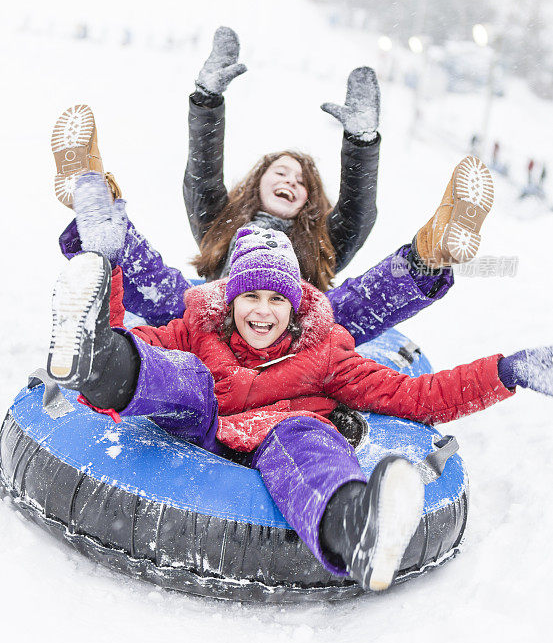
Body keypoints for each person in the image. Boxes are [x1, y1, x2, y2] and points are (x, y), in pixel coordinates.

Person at [47, 226, 553, 593]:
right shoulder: (195, 330)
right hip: (199, 426)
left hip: (281, 438)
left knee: (310, 438)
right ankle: (92, 360)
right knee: (183, 376)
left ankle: (356, 528)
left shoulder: (326, 353)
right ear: (230, 300)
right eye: (250, 296)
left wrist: (506, 372)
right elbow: (140, 345)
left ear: (294, 306)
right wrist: (106, 280)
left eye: (275, 299)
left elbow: (414, 395)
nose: (261, 311)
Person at [52, 38, 494, 341]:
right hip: (213, 320)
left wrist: (361, 143)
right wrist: (207, 99)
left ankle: (434, 247)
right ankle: (91, 195)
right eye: (280, 172)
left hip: (296, 335)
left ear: (311, 201)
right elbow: (202, 176)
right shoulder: (223, 221)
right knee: (169, 294)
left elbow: (358, 211)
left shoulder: (321, 239)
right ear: (257, 182)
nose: (290, 181)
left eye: (302, 182)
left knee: (345, 311)